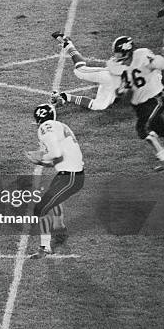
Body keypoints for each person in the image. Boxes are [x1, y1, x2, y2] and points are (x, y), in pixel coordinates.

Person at [25, 104, 84, 259]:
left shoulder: (45, 127)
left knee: (41, 208)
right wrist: (40, 162)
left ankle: (45, 248)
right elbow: (58, 160)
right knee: (54, 200)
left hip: (71, 177)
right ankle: (60, 230)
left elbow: (56, 154)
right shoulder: (61, 125)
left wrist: (41, 156)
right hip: (69, 174)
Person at [107, 36, 164, 172]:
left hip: (154, 99)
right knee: (163, 131)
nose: (115, 55)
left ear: (127, 51)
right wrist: (120, 91)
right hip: (139, 106)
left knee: (143, 129)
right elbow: (119, 92)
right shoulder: (116, 65)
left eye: (118, 52)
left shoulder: (142, 55)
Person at [50, 32, 124, 111]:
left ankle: (65, 97)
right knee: (80, 70)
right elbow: (113, 66)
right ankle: (68, 44)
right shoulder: (126, 63)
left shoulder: (135, 62)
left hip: (115, 81)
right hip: (109, 76)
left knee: (99, 106)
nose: (116, 55)